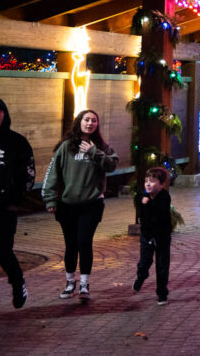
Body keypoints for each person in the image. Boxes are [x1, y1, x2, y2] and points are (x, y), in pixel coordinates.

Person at [41, 109, 119, 303]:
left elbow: (111, 165)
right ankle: (69, 282)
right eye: (86, 120)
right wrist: (50, 199)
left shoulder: (101, 146)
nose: (90, 123)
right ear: (79, 122)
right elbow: (53, 174)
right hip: (67, 205)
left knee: (84, 242)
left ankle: (84, 284)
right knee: (71, 244)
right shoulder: (66, 147)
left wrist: (93, 152)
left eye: (94, 120)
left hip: (91, 204)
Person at [0, 97, 35, 308]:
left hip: (4, 209)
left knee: (2, 250)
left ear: (5, 114)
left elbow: (28, 173)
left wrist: (16, 200)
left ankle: (18, 283)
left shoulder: (18, 142)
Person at [133, 166, 173, 305]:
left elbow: (160, 213)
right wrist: (143, 202)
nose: (148, 184)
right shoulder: (143, 196)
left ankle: (162, 292)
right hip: (147, 236)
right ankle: (141, 276)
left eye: (152, 181)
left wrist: (148, 204)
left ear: (161, 184)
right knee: (144, 262)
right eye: (146, 181)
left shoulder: (164, 197)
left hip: (162, 236)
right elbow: (142, 215)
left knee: (162, 265)